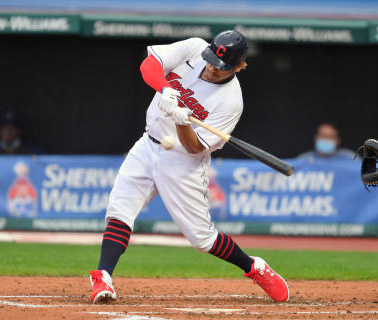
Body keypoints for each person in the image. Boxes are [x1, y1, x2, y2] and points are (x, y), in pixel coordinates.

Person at [88, 31, 289, 303]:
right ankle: (103, 276)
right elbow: (148, 65)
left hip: (184, 162)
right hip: (148, 144)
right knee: (119, 210)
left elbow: (195, 147)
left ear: (238, 65)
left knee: (202, 239)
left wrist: (183, 121)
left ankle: (254, 267)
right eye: (210, 61)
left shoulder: (231, 102)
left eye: (220, 68)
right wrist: (166, 89)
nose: (211, 68)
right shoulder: (194, 48)